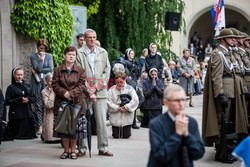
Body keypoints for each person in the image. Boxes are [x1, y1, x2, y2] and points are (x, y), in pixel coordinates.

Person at [202, 28, 248, 163]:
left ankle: (226, 150)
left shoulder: (226, 53)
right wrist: (220, 93)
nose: (234, 40)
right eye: (231, 38)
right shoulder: (218, 54)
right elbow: (216, 77)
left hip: (232, 90)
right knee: (222, 123)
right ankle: (221, 153)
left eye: (234, 38)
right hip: (226, 91)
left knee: (228, 123)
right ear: (223, 40)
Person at [148, 84, 205, 167]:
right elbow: (161, 155)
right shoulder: (156, 124)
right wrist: (177, 135)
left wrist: (187, 136)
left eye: (183, 100)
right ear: (166, 102)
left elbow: (199, 153)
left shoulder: (191, 122)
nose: (181, 104)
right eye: (177, 100)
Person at [77, 28, 113, 156]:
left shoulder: (103, 52)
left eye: (94, 37)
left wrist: (95, 88)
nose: (92, 39)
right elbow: (79, 74)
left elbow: (107, 71)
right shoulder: (79, 53)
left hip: (100, 91)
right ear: (85, 39)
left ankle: (103, 147)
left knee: (102, 121)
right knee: (82, 120)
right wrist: (89, 90)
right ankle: (82, 148)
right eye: (89, 37)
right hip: (83, 92)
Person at [52, 46, 86, 159]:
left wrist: (70, 94)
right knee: (64, 129)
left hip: (76, 103)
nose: (71, 56)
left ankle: (73, 151)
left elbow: (81, 85)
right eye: (69, 54)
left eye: (73, 55)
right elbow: (54, 84)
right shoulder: (57, 70)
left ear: (76, 57)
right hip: (61, 103)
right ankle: (65, 151)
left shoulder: (81, 70)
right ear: (64, 55)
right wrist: (64, 93)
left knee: (74, 129)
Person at [5, 67, 37, 139]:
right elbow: (7, 101)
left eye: (21, 75)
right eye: (18, 75)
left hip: (27, 113)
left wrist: (28, 99)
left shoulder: (28, 86)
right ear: (14, 75)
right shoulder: (11, 88)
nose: (20, 77)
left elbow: (34, 98)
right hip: (17, 114)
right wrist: (19, 99)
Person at [30, 38, 54, 134]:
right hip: (37, 83)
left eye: (44, 48)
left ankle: (47, 125)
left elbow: (51, 69)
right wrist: (40, 60)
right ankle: (40, 126)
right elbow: (38, 68)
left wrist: (39, 70)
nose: (42, 50)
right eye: (40, 48)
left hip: (47, 82)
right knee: (38, 105)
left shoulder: (49, 56)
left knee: (47, 105)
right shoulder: (33, 57)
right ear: (37, 47)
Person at [107, 72, 139, 138]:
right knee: (116, 135)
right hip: (116, 114)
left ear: (124, 80)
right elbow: (108, 101)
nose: (119, 84)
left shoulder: (130, 88)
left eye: (121, 82)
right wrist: (117, 108)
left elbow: (135, 100)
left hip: (126, 113)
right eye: (117, 82)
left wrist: (126, 107)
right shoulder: (111, 90)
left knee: (126, 135)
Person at [41, 73, 59, 142]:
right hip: (50, 113)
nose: (52, 83)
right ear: (46, 81)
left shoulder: (59, 89)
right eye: (50, 81)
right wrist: (52, 93)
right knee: (50, 138)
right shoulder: (44, 91)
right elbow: (48, 105)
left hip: (58, 112)